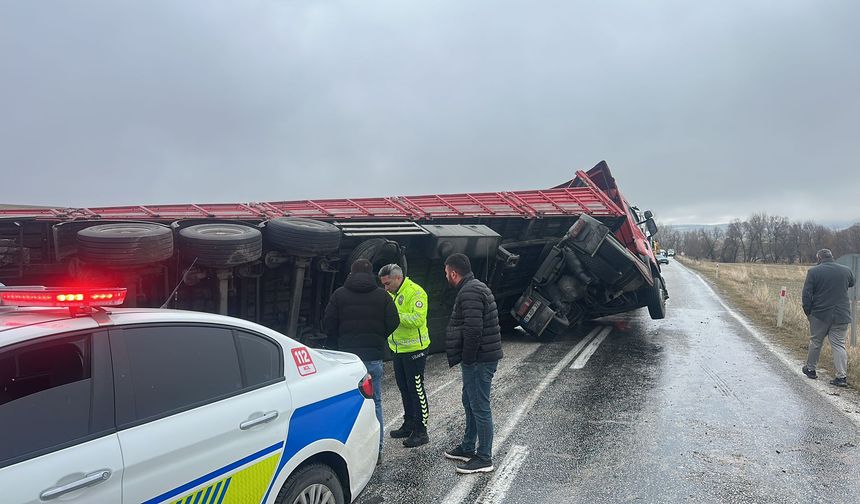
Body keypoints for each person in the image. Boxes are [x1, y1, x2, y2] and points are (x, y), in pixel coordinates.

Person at [324, 259, 400, 460]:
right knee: (375, 403)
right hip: (373, 358)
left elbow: (328, 323)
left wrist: (339, 342)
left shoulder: (339, 294)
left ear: (351, 273)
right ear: (372, 274)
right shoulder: (382, 296)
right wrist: (378, 338)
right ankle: (378, 451)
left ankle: (349, 455)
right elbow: (394, 321)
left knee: (346, 406)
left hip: (347, 361)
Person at [443, 253, 503, 474]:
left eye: (446, 272)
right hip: (481, 358)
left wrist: (467, 359)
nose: (446, 276)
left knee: (480, 406)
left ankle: (484, 457)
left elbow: (473, 330)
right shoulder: (475, 287)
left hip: (479, 360)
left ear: (454, 273)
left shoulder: (469, 292)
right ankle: (468, 447)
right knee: (469, 401)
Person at [378, 263, 431, 448]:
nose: (385, 287)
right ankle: (409, 424)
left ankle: (421, 431)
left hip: (415, 349)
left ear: (398, 278)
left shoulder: (416, 292)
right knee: (404, 388)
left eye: (387, 283)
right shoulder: (390, 294)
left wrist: (394, 313)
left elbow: (417, 320)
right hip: (398, 349)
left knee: (416, 390)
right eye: (383, 284)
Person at [801, 248, 855, 387]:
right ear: (832, 256)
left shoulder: (813, 272)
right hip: (842, 314)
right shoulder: (846, 270)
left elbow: (807, 294)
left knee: (816, 342)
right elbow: (852, 283)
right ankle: (841, 377)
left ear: (819, 258)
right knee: (838, 345)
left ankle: (811, 369)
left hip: (820, 314)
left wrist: (808, 312)